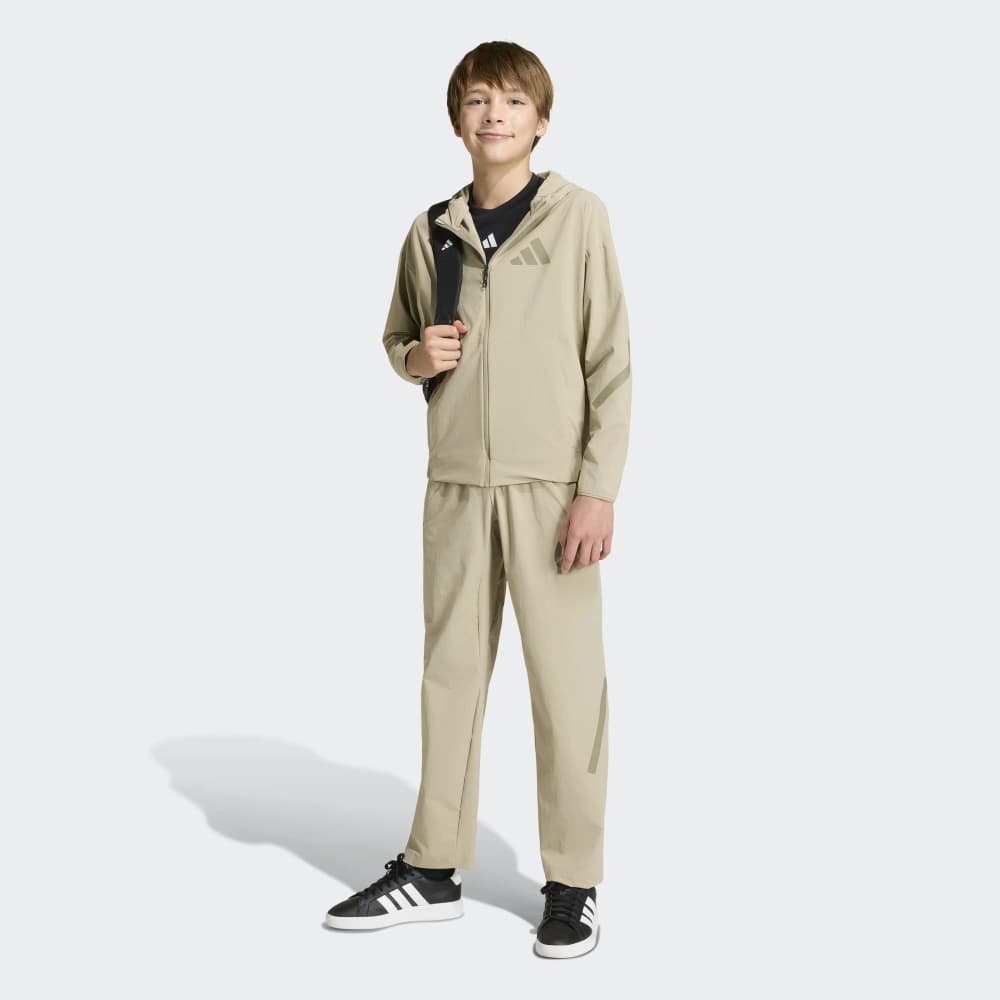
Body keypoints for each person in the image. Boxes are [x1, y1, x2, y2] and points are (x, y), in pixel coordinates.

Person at [324, 40, 631, 960]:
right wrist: (415, 358)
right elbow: (398, 339)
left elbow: (611, 363)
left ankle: (572, 883)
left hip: (551, 492)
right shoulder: (432, 231)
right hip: (456, 487)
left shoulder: (578, 219)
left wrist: (597, 490)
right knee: (449, 679)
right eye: (476, 100)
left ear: (542, 121)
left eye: (512, 101)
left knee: (567, 690)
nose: (493, 114)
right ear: (457, 121)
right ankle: (432, 868)